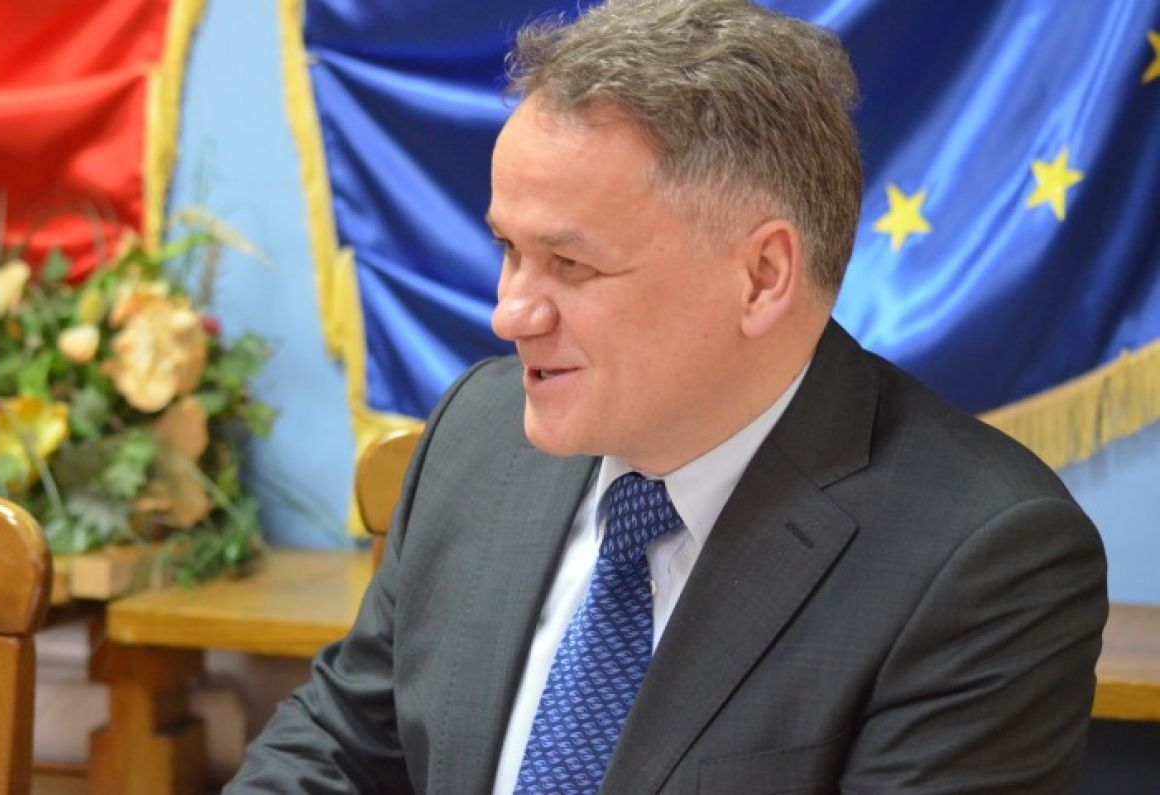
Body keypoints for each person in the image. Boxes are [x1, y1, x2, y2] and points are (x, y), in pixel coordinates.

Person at [227, 1, 1107, 792]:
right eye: (509, 250)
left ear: (762, 276)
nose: (510, 313)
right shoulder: (478, 434)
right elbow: (338, 748)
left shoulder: (985, 560)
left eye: (570, 263)